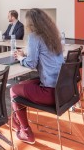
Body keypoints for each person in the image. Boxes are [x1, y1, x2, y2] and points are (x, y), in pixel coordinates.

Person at [10, 8, 64, 144]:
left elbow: (32, 63)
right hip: (62, 90)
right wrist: (28, 54)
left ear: (31, 23)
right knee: (21, 86)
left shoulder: (34, 36)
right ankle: (17, 120)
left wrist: (22, 58)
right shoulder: (54, 36)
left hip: (50, 93)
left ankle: (26, 132)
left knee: (13, 91)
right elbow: (45, 56)